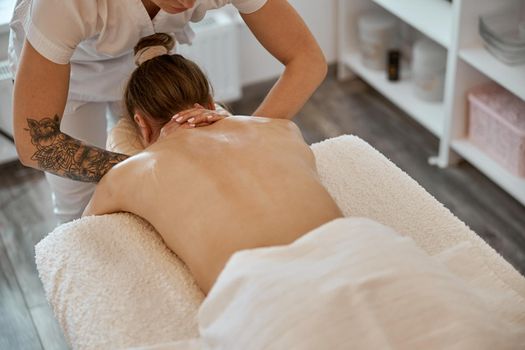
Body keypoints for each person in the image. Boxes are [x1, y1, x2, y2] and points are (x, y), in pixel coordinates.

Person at [10, 0, 327, 223]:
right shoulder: (61, 5)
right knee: (77, 205)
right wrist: (157, 167)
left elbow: (307, 60)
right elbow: (35, 144)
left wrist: (244, 134)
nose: (188, 2)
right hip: (70, 72)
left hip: (146, 50)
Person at [82, 34, 342, 294]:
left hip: (260, 290)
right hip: (352, 250)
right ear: (209, 103)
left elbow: (88, 227)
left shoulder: (130, 174)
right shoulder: (282, 129)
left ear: (141, 123)